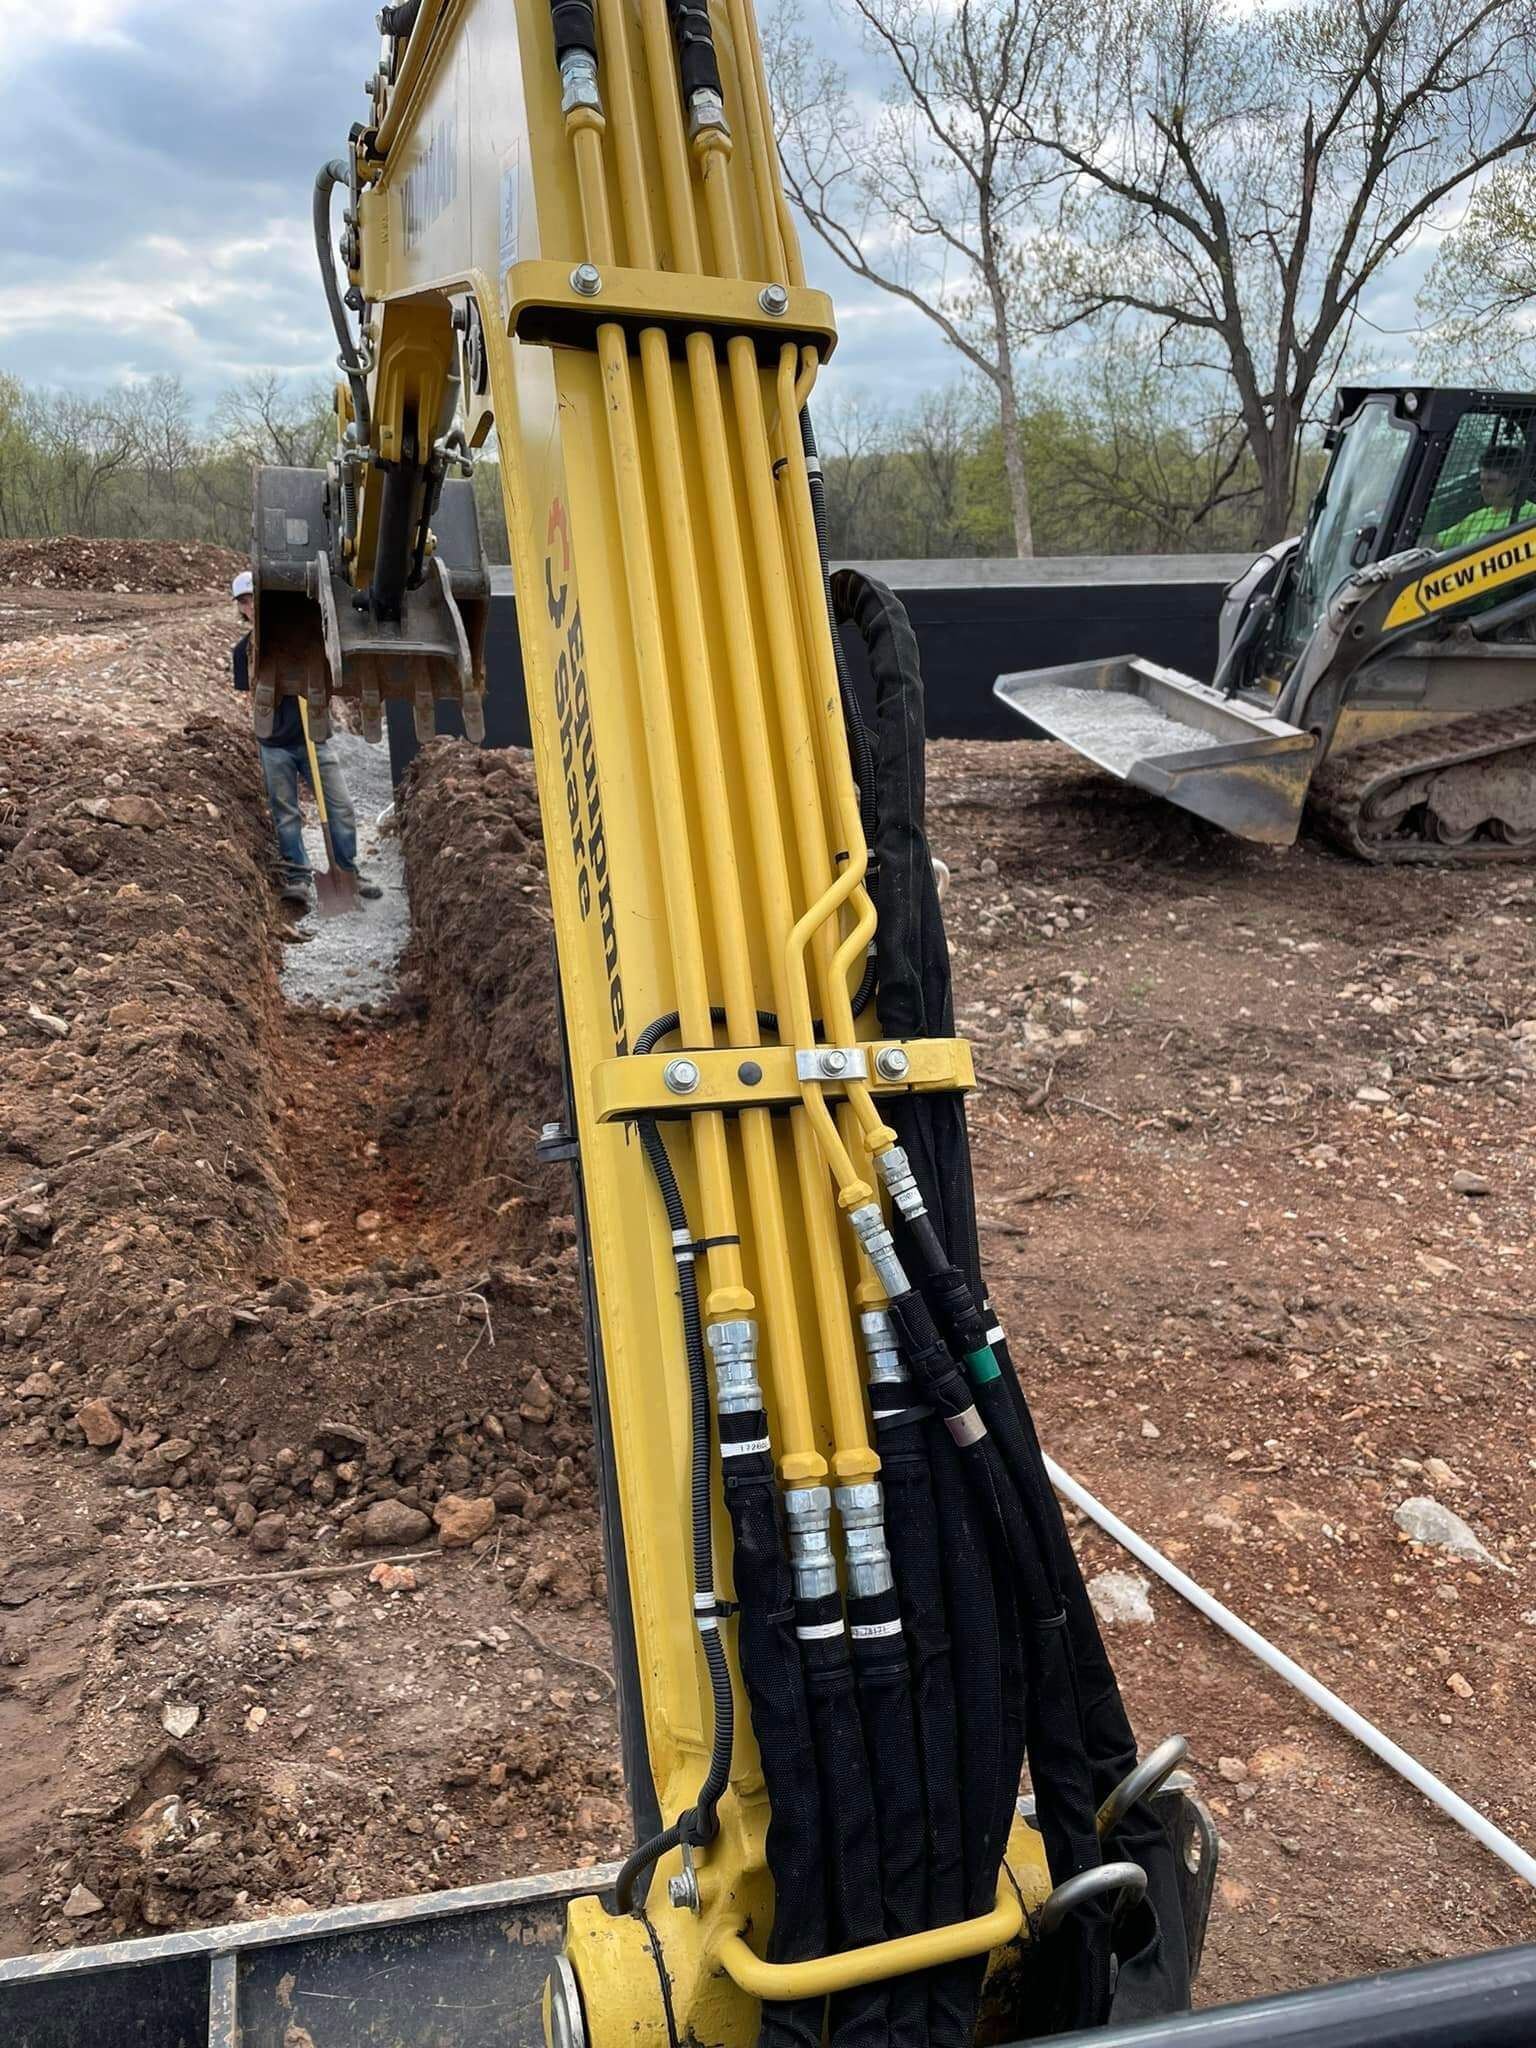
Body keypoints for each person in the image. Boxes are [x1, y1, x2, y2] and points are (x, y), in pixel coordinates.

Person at [230, 571, 381, 907]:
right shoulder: (244, 652)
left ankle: (348, 871)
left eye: (254, 597)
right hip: (273, 744)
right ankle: (298, 876)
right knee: (285, 812)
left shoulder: (307, 642)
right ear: (240, 609)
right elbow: (248, 699)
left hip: (315, 739)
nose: (250, 606)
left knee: (339, 807)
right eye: (243, 602)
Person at [1435, 445, 1536, 551]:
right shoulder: (1476, 518)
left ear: (1515, 480)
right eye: (1482, 481)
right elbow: (1437, 542)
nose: (1484, 488)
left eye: (1492, 481)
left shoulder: (1531, 515)